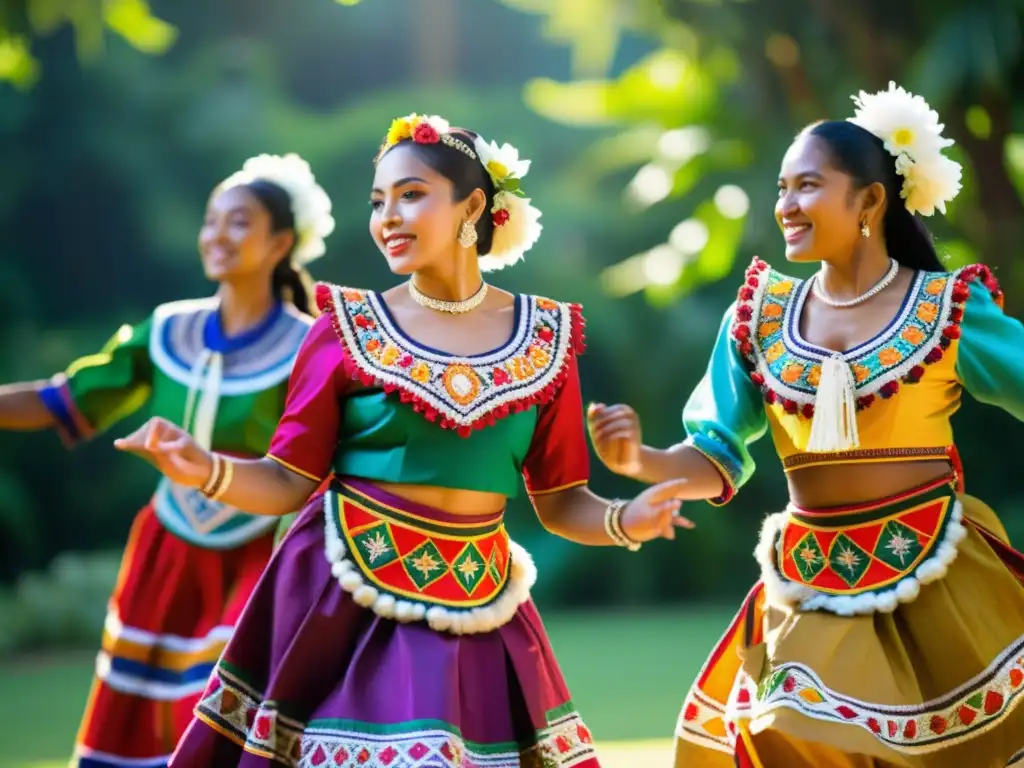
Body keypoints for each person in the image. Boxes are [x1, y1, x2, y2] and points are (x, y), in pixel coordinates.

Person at [114, 113, 694, 767]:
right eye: (378, 201)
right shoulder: (344, 329)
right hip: (343, 598)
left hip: (479, 600)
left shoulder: (547, 338)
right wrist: (205, 469)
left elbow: (561, 503)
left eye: (411, 195)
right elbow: (286, 480)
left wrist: (626, 519)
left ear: (474, 206)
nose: (388, 216)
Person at [588, 83, 1024, 767]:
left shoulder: (947, 310)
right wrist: (640, 460)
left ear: (871, 202)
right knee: (788, 723)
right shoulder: (759, 318)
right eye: (783, 188)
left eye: (808, 186)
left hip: (937, 572)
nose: (786, 205)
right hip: (810, 579)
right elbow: (715, 454)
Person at [0, 152, 334, 767]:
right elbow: (63, 398)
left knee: (224, 718)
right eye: (212, 220)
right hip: (166, 552)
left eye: (239, 222)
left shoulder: (310, 346)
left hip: (258, 555)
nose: (217, 235)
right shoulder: (166, 331)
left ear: (281, 241)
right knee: (138, 725)